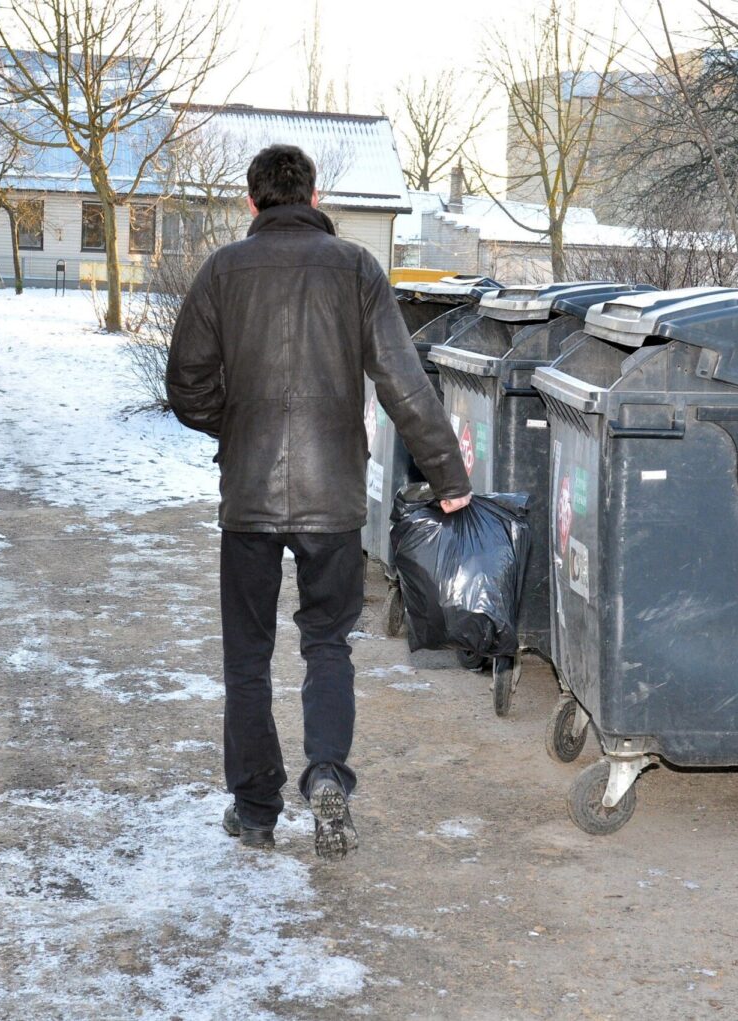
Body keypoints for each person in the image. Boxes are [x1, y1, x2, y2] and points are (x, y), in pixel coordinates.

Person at [166, 144, 471, 859]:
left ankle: (256, 809)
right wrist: (448, 476)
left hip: (248, 497)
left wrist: (235, 426)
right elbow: (402, 381)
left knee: (247, 657)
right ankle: (328, 772)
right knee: (328, 644)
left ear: (252, 201)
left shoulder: (222, 271)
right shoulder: (357, 269)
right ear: (314, 194)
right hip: (333, 496)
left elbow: (185, 383)